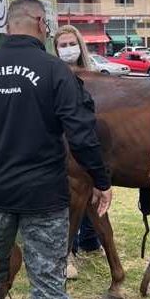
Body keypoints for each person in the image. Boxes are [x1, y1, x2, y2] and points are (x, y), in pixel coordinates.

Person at [0, 0, 112, 299]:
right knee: (48, 284)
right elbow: (82, 134)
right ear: (40, 22)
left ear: (9, 25)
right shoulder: (57, 72)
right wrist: (101, 181)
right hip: (45, 198)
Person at [54, 25, 103, 280]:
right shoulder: (55, 75)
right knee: (71, 200)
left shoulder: (92, 73)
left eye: (72, 44)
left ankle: (91, 241)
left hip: (91, 143)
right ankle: (69, 251)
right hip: (64, 147)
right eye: (62, 46)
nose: (68, 49)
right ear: (55, 49)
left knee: (94, 193)